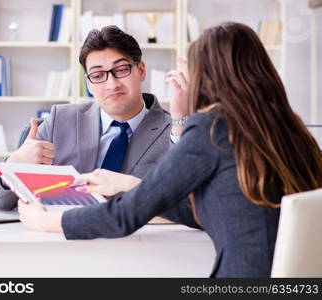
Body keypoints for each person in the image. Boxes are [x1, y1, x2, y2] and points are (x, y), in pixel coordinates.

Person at [18, 22, 322, 277]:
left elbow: (124, 217)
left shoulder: (212, 127)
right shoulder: (289, 129)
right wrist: (133, 184)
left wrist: (46, 221)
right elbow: (212, 210)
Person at [0, 26, 173, 211]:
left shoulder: (174, 132)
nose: (112, 84)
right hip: (62, 235)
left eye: (122, 69)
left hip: (138, 239)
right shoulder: (60, 120)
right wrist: (12, 164)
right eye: (98, 75)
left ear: (140, 70)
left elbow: (187, 205)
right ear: (89, 84)